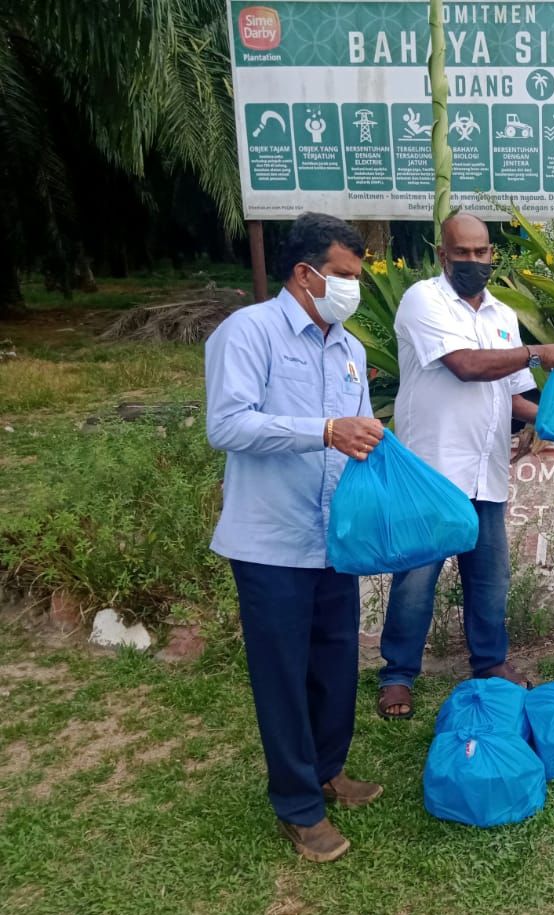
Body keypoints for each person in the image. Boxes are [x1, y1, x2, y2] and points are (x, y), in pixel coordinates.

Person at [205, 212, 386, 863]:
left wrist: (371, 444)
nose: (351, 288)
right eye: (343, 275)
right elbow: (228, 426)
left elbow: (356, 428)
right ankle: (297, 806)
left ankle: (328, 770)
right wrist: (324, 430)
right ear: (305, 274)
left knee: (336, 660)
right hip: (270, 543)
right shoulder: (247, 334)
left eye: (357, 278)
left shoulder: (350, 349)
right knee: (282, 674)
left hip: (335, 537)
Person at [377, 212, 554, 719]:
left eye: (481, 252)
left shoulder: (501, 316)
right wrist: (536, 352)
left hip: (487, 467)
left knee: (490, 577)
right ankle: (398, 674)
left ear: (493, 255)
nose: (473, 261)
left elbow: (514, 398)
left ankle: (489, 662)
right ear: (443, 255)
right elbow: (465, 366)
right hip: (433, 469)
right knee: (417, 576)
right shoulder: (423, 299)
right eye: (461, 252)